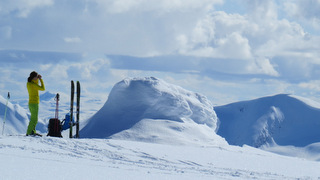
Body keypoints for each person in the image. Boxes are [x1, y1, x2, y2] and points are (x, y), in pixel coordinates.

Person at [26, 71, 45, 136]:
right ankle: (29, 132)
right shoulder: (33, 85)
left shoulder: (29, 83)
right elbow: (43, 88)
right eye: (36, 77)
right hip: (34, 103)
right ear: (34, 77)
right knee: (34, 119)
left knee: (34, 119)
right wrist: (41, 80)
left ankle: (32, 131)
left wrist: (37, 79)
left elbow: (35, 84)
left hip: (31, 103)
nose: (37, 78)